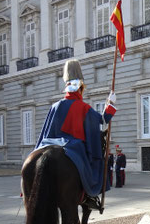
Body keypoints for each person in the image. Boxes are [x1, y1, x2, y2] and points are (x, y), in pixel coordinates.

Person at [34, 59, 116, 211]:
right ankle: (90, 196)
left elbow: (46, 132)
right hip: (72, 146)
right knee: (91, 162)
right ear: (80, 88)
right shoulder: (84, 108)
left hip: (49, 143)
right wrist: (109, 104)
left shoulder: (55, 106)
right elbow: (103, 120)